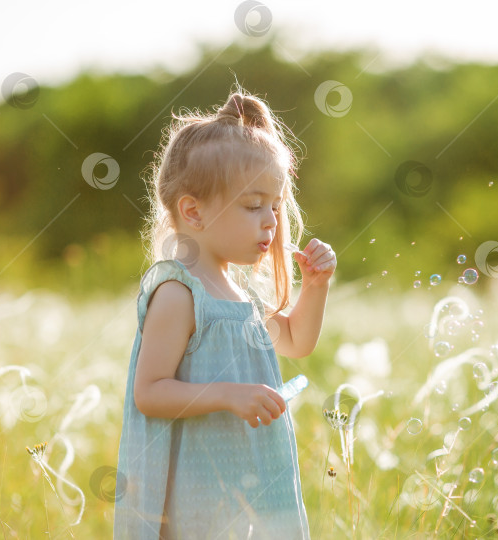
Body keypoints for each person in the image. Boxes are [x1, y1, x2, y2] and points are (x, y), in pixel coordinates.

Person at [113, 85, 335, 540]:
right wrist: (228, 395)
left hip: (251, 482)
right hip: (198, 490)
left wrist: (315, 288)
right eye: (254, 206)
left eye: (275, 205)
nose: (271, 221)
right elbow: (149, 393)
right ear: (193, 212)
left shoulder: (242, 294)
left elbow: (296, 341)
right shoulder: (179, 293)